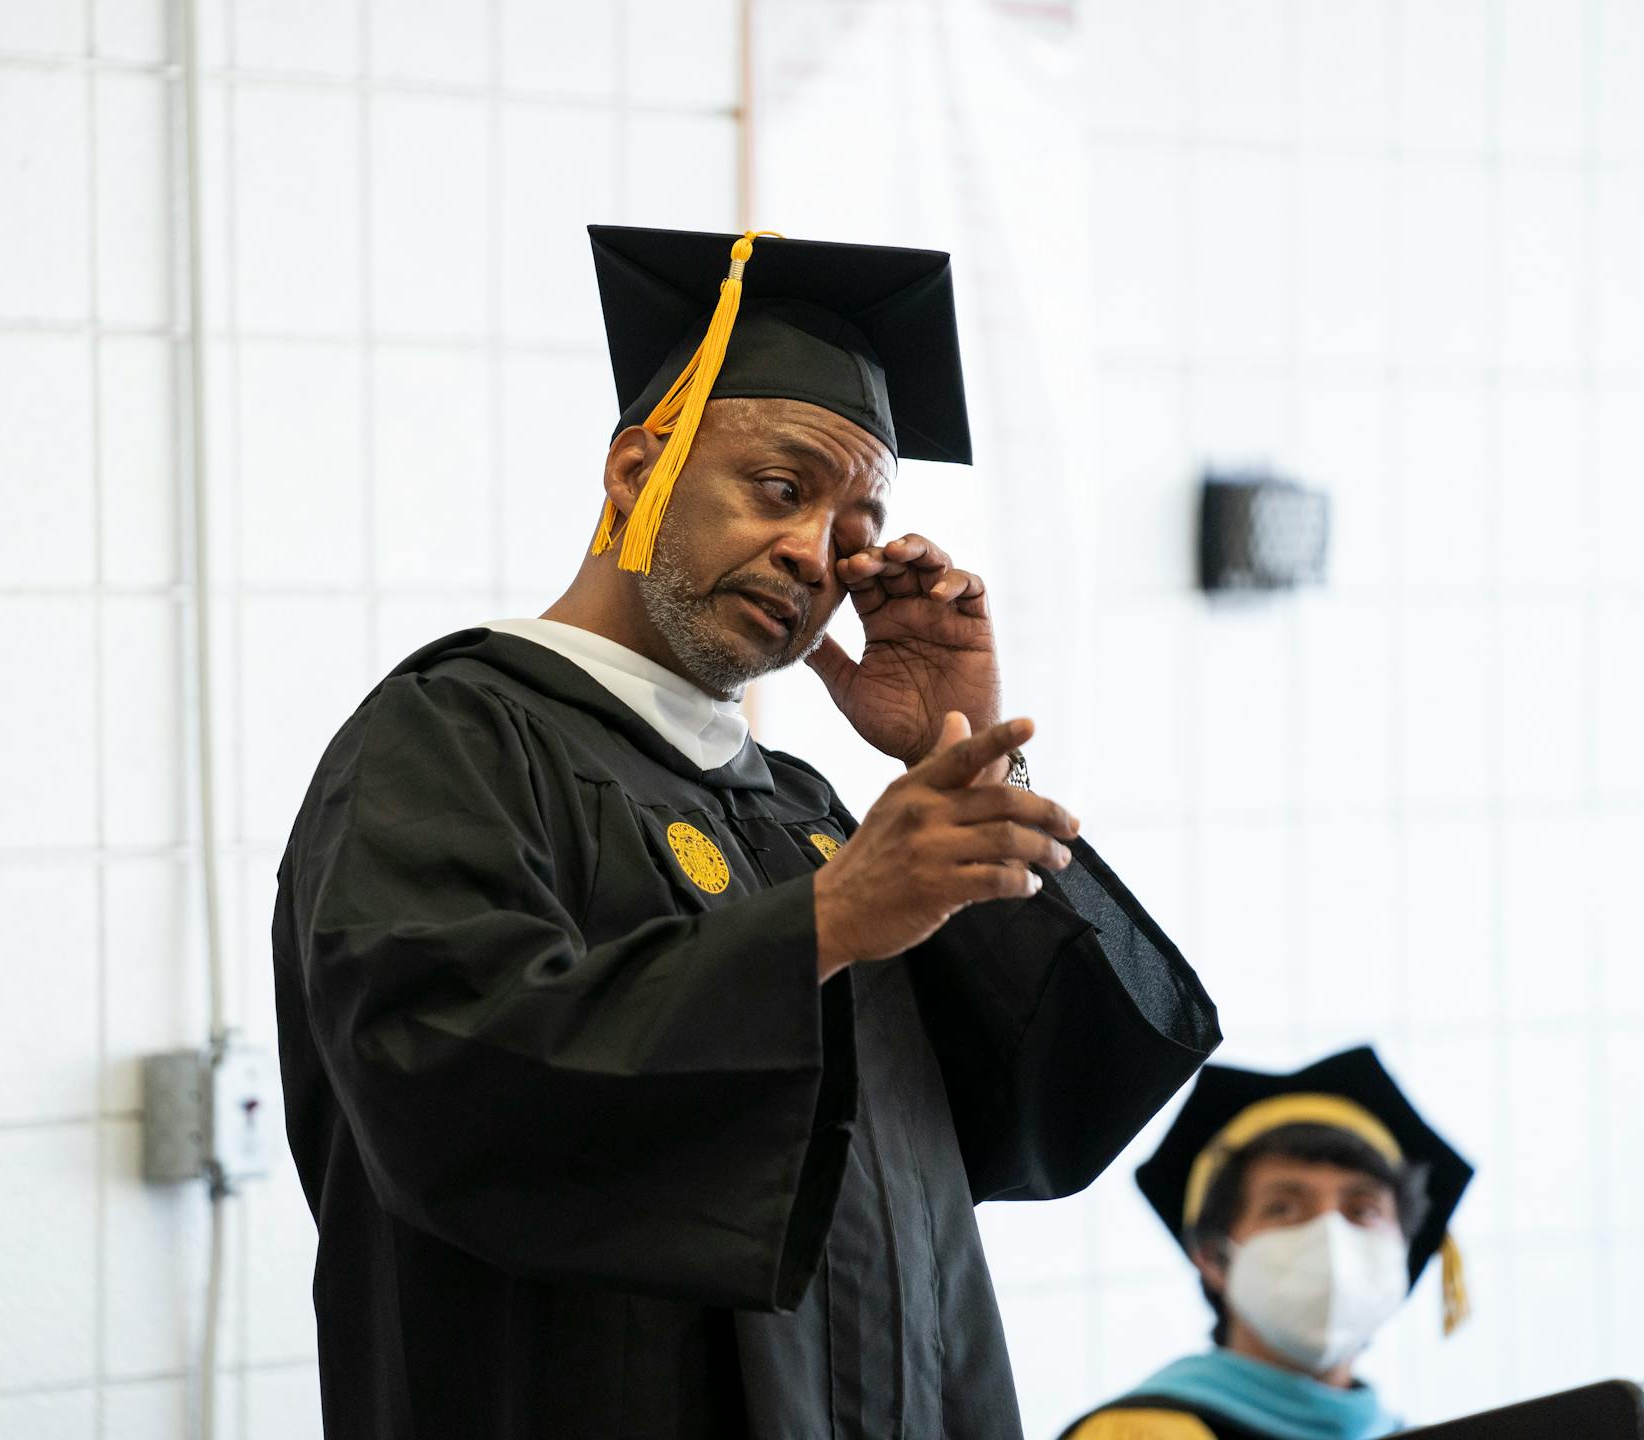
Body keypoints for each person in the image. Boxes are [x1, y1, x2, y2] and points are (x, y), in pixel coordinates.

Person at [272, 224, 1223, 1439]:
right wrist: (821, 927)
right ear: (635, 474)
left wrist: (960, 761)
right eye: (781, 488)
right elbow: (445, 1088)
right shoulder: (453, 741)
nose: (815, 553)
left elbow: (1036, 1117)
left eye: (857, 527)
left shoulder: (806, 812)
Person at [1061, 1046, 1475, 1440]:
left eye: (1362, 1211)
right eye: (1284, 1209)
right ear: (1212, 1257)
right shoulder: (1139, 1434)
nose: (1331, 1237)